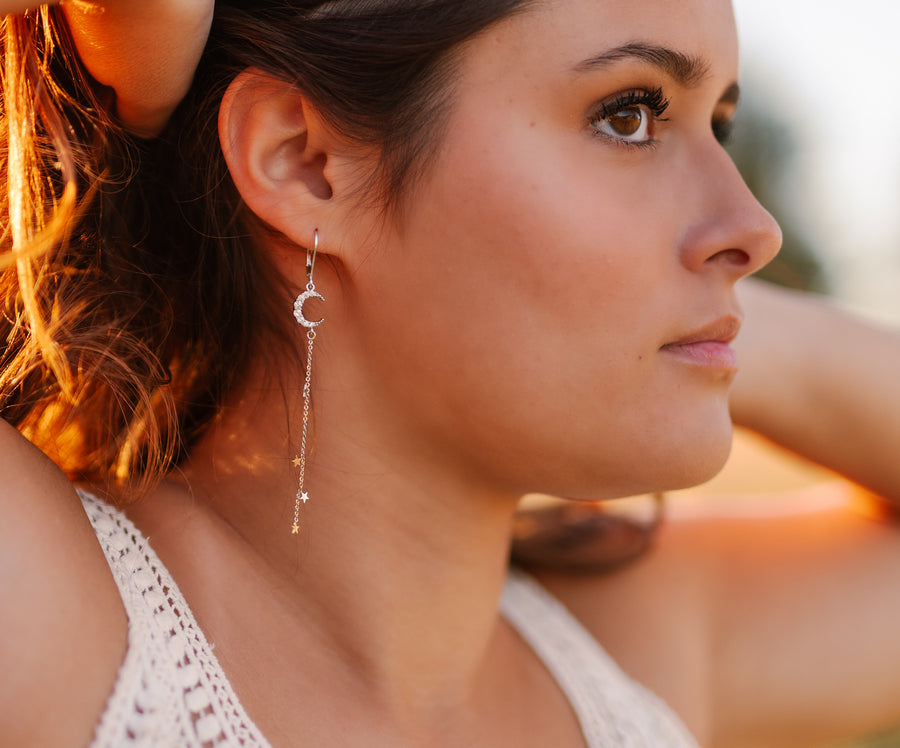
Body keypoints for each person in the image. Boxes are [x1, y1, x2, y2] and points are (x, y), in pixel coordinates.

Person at [2, 1, 900, 746]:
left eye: (720, 128)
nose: (755, 226)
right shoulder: (51, 614)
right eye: (630, 113)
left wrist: (708, 322)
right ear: (304, 166)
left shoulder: (631, 653)